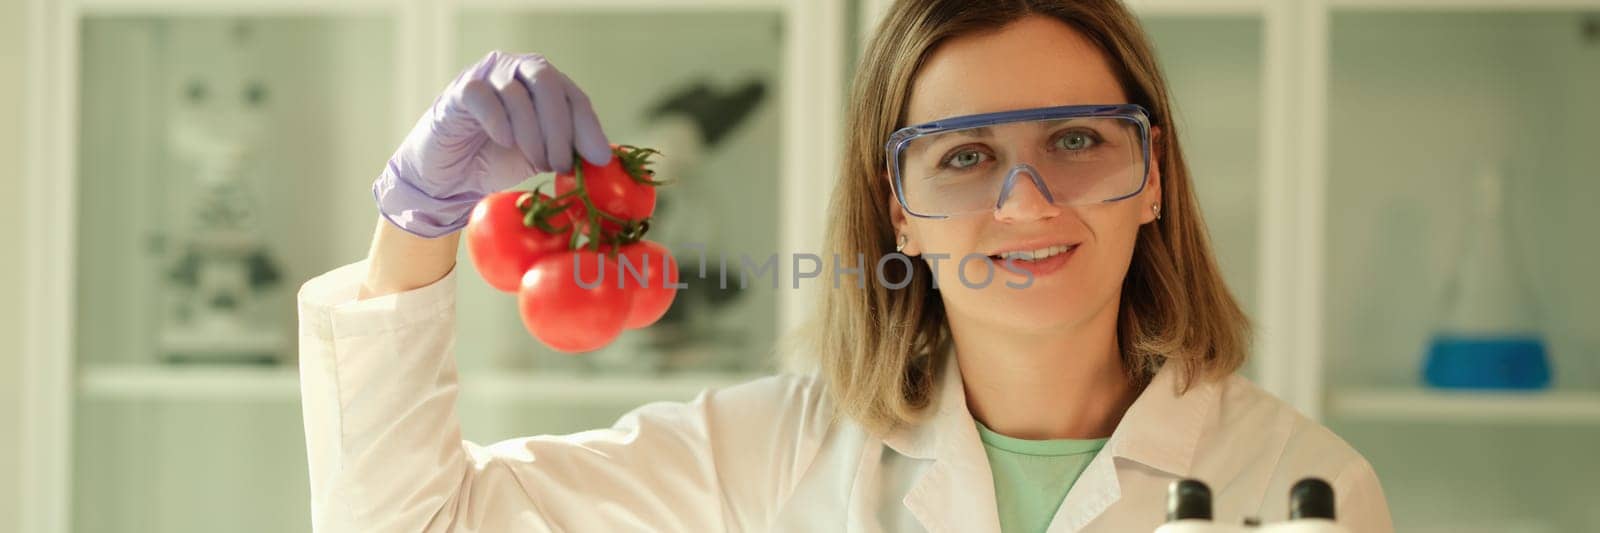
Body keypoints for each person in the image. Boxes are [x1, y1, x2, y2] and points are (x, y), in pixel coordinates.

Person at [296, 0, 1394, 531]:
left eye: (1075, 140)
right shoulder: (771, 458)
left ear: (1152, 174)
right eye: (963, 157)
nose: (1026, 201)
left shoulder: (1303, 484)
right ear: (897, 212)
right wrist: (416, 221)